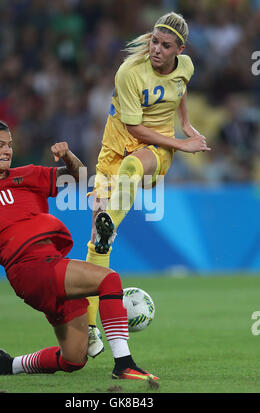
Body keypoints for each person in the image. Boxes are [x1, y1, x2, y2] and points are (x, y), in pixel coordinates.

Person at [0, 118, 158, 381]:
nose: (7, 150)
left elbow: (82, 176)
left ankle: (8, 364)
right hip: (30, 267)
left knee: (74, 359)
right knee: (109, 280)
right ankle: (124, 364)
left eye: (10, 144)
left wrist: (67, 155)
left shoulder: (28, 174)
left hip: (47, 267)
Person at [86, 11, 211, 356]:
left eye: (165, 45)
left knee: (132, 167)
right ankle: (91, 328)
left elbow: (179, 89)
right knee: (97, 246)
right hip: (112, 152)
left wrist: (185, 127)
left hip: (156, 151)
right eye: (154, 41)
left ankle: (110, 222)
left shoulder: (186, 66)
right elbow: (133, 128)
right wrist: (185, 143)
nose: (156, 49)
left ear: (178, 49)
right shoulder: (129, 73)